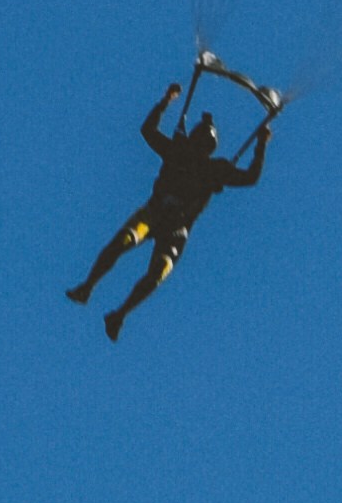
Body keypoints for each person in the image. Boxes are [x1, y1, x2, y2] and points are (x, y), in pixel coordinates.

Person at [72, 71, 273, 337]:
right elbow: (148, 131)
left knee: (157, 271)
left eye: (204, 144)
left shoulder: (214, 169)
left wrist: (261, 144)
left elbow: (250, 178)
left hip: (176, 230)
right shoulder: (179, 151)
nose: (198, 149)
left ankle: (118, 314)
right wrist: (165, 101)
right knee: (124, 241)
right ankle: (88, 287)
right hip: (154, 214)